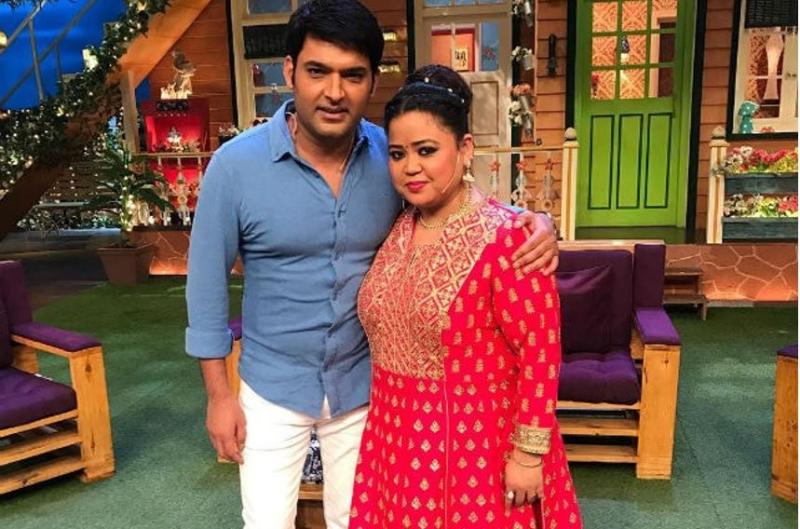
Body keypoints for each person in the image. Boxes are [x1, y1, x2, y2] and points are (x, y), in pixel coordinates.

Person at [185, 2, 559, 528]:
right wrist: (218, 397)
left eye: (353, 75)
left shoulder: (392, 155)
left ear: (371, 82)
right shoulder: (235, 167)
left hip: (364, 391)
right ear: (290, 70)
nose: (334, 92)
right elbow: (205, 291)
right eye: (318, 71)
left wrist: (535, 221)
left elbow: (452, 198)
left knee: (358, 519)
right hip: (273, 386)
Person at [349, 65, 582, 529]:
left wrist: (529, 454)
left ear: (466, 148)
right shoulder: (398, 228)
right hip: (394, 446)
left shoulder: (510, 239)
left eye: (427, 150)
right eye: (397, 154)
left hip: (477, 453)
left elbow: (540, 351)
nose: (410, 167)